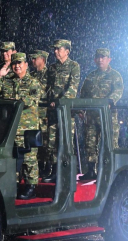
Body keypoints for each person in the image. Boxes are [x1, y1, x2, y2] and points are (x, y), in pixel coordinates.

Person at [0, 52, 43, 199]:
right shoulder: (8, 81)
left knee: (29, 159)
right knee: (13, 159)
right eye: (14, 64)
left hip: (28, 128)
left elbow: (32, 100)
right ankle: (15, 185)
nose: (17, 66)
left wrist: (14, 99)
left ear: (26, 64)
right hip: (10, 128)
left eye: (20, 63)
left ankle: (31, 187)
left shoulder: (33, 82)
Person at [79, 48, 124, 180]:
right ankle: (91, 170)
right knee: (90, 143)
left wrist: (110, 101)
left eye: (103, 57)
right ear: (94, 59)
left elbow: (118, 91)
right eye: (98, 57)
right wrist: (81, 109)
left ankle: (111, 172)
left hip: (107, 116)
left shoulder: (115, 75)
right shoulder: (90, 77)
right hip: (92, 116)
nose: (100, 60)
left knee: (109, 144)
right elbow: (83, 94)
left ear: (109, 59)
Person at [43, 39, 80, 183]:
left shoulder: (74, 66)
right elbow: (47, 88)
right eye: (55, 49)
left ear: (67, 51)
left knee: (65, 142)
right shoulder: (52, 68)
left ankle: (66, 172)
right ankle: (54, 171)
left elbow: (73, 88)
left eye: (58, 49)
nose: (55, 52)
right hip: (53, 112)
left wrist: (60, 101)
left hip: (65, 112)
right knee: (52, 142)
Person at [30, 49, 51, 177]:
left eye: (34, 58)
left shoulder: (49, 74)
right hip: (34, 113)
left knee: (46, 141)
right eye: (31, 59)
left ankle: (47, 168)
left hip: (45, 113)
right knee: (34, 141)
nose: (32, 61)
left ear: (42, 59)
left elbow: (45, 92)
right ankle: (38, 168)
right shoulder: (32, 75)